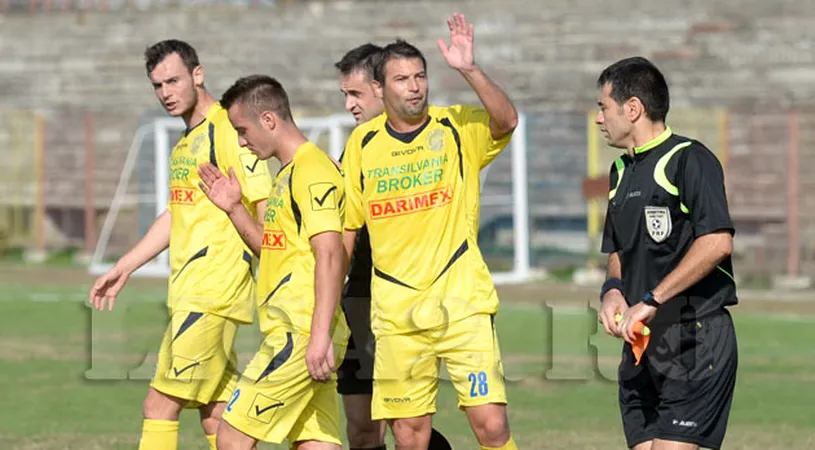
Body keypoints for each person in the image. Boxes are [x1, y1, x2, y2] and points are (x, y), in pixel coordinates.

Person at [341, 13, 519, 450]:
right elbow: (349, 230)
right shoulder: (361, 145)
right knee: (408, 433)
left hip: (462, 305)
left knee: (492, 426)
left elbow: (507, 120)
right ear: (380, 89)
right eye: (402, 79)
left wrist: (469, 68)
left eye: (420, 76)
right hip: (397, 315)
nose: (415, 86)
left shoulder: (455, 125)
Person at [88, 40, 271, 450]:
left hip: (213, 292)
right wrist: (126, 265)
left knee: (158, 405)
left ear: (197, 74)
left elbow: (262, 201)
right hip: (191, 290)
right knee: (217, 415)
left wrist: (272, 265)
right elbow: (176, 214)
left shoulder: (229, 130)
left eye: (173, 80)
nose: (166, 92)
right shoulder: (185, 143)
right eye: (157, 85)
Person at [196, 74, 350, 450]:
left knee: (230, 437)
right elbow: (273, 247)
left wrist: (317, 335)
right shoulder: (286, 176)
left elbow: (331, 253)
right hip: (298, 332)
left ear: (269, 120)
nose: (243, 143)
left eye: (243, 130)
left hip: (300, 334)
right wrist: (234, 209)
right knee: (316, 444)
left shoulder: (313, 171)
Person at [595, 56, 738, 450]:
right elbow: (619, 250)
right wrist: (612, 291)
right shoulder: (620, 171)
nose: (599, 118)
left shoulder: (689, 159)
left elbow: (717, 242)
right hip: (641, 345)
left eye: (603, 107)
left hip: (695, 337)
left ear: (633, 108)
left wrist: (652, 298)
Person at [334, 44, 452, 450]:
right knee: (361, 423)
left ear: (379, 89)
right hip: (358, 298)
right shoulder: (359, 147)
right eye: (345, 96)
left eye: (355, 94)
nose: (350, 105)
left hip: (397, 304)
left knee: (405, 421)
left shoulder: (421, 146)